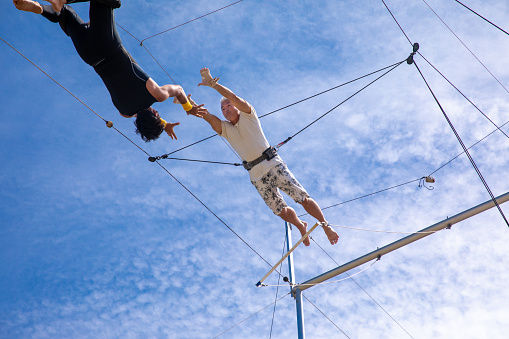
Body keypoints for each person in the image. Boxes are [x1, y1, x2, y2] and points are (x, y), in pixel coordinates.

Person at [13, 0, 206, 142]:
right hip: (90, 56)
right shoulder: (124, 112)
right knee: (64, 13)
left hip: (108, 45)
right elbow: (141, 116)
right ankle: (39, 8)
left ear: (156, 114)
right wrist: (161, 124)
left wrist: (188, 108)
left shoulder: (157, 95)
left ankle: (54, 5)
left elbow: (179, 90)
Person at [191, 68, 339, 246]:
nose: (225, 109)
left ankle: (326, 226)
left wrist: (213, 85)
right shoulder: (225, 130)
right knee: (280, 211)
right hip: (256, 175)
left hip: (273, 165)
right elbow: (206, 116)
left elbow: (235, 97)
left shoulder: (248, 115)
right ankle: (300, 225)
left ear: (236, 107)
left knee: (302, 199)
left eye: (228, 105)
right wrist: (185, 100)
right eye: (222, 109)